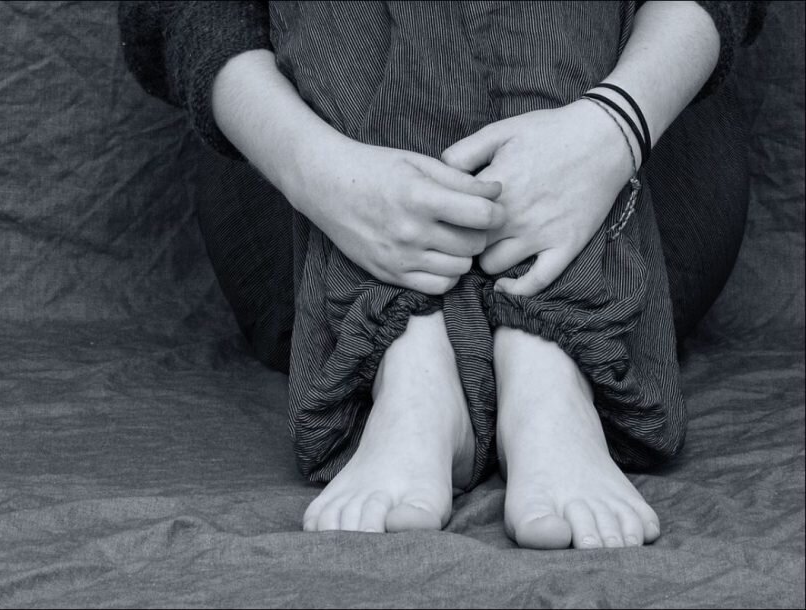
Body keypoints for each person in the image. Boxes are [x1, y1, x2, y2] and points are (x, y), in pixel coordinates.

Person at [120, 1, 766, 549]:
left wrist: (613, 126)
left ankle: (549, 364)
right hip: (301, 183)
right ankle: (410, 354)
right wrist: (321, 172)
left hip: (636, 157)